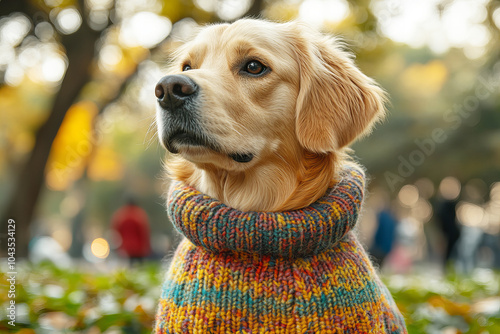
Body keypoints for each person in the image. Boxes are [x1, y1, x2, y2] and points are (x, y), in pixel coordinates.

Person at [111, 197, 151, 264]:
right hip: (138, 248)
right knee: (139, 268)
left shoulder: (121, 215)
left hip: (125, 247)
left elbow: (116, 230)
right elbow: (144, 232)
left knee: (128, 267)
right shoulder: (139, 214)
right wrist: (147, 246)